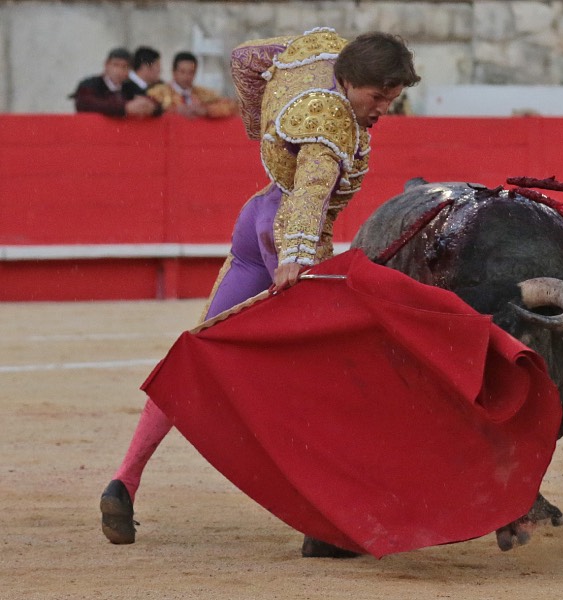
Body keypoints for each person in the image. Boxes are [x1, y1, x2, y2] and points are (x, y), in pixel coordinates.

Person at [99, 27, 420, 545]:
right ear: (349, 79)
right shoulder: (333, 123)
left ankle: (125, 479)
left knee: (197, 353)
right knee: (331, 379)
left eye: (393, 97)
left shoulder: (318, 57)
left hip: (254, 217)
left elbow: (248, 58)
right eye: (378, 96)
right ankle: (327, 523)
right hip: (287, 234)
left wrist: (259, 126)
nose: (385, 107)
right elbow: (310, 194)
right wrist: (294, 259)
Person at [69, 47, 158, 118]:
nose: (119, 71)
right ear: (106, 65)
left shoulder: (130, 86)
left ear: (129, 70)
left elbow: (153, 101)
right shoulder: (90, 84)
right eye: (115, 65)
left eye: (124, 67)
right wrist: (124, 108)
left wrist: (151, 107)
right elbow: (84, 104)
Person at [147, 51, 238, 118]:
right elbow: (146, 109)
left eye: (191, 72)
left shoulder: (204, 93)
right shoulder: (157, 92)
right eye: (182, 72)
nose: (187, 77)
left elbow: (232, 106)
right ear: (174, 72)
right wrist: (174, 110)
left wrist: (206, 110)